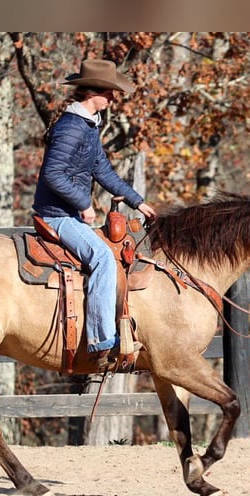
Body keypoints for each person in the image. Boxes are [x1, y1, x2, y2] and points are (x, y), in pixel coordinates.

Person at [32, 58, 157, 364]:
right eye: (109, 92)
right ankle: (101, 340)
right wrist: (84, 203)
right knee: (102, 258)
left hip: (68, 213)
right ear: (92, 93)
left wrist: (137, 202)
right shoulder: (72, 127)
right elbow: (53, 174)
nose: (113, 98)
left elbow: (104, 171)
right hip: (56, 215)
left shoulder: (88, 126)